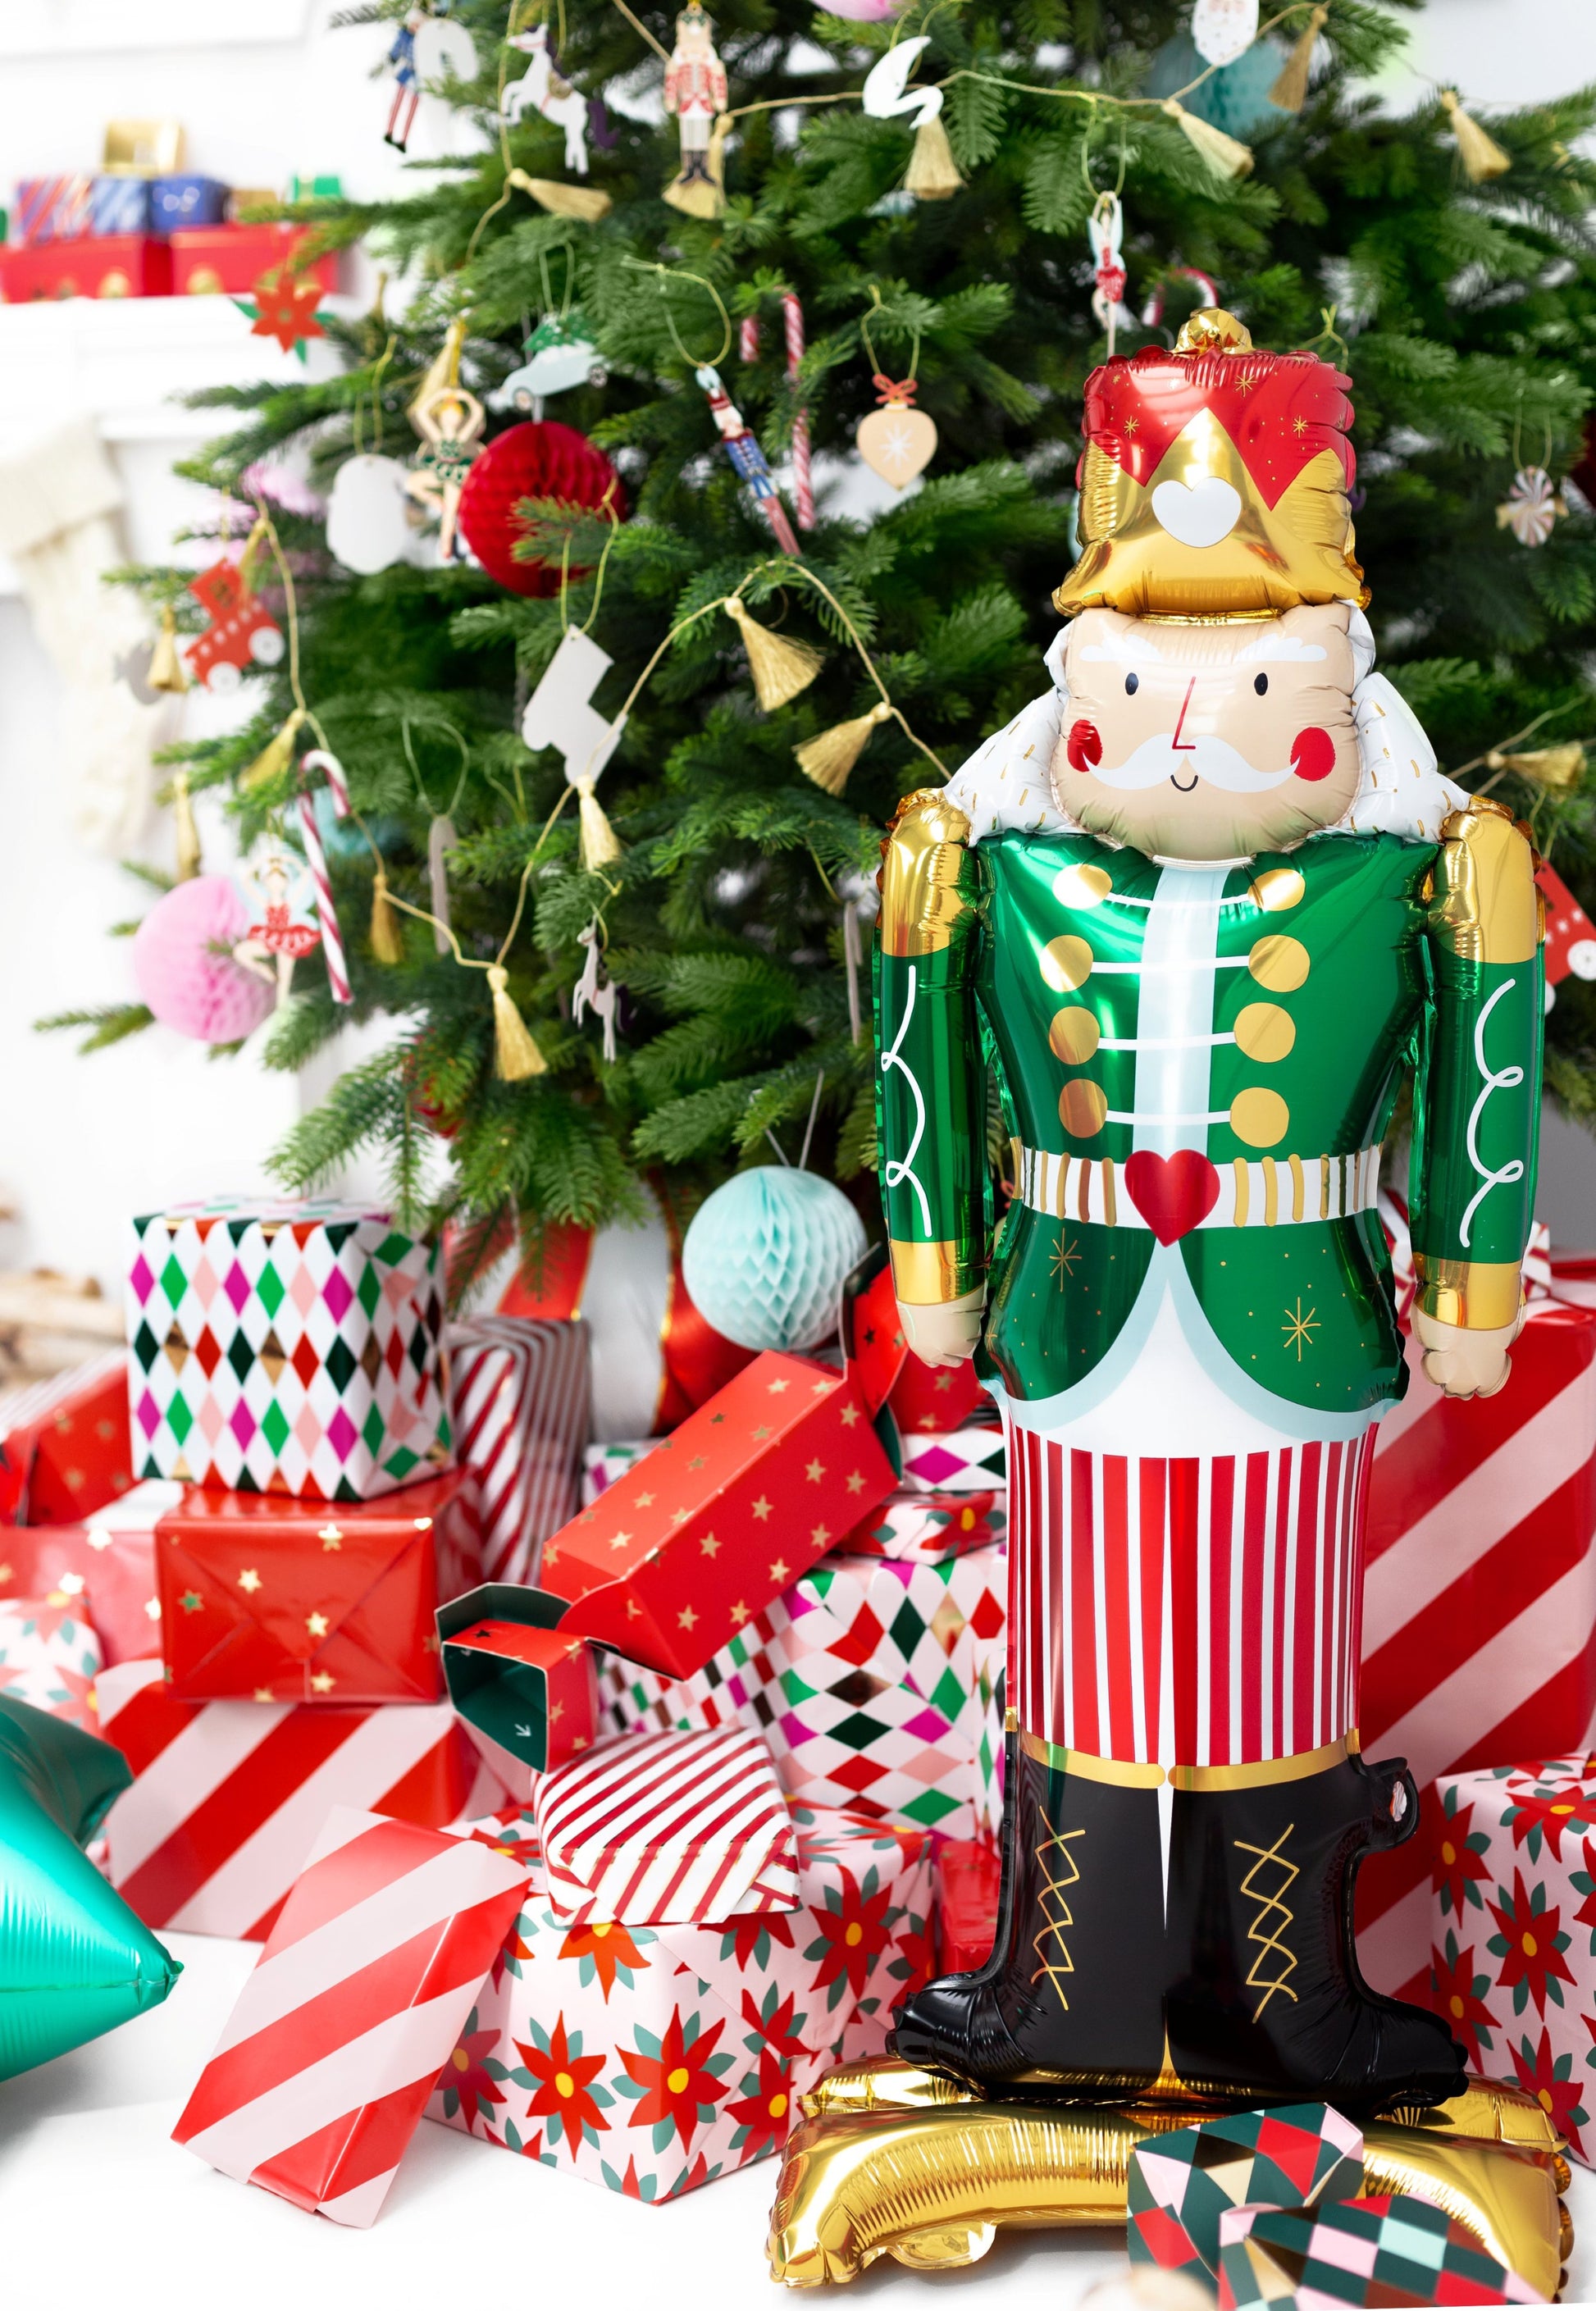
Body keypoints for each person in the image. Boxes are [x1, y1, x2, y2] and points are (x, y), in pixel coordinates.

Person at [875, 311, 1542, 2111]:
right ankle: (1074, 1986)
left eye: (1248, 692)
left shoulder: (1408, 873)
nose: (1191, 732)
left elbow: (1476, 1058)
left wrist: (1475, 1275)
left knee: (1265, 1652)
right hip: (1074, 1307)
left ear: (1327, 687)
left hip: (1294, 1303)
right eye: (1146, 697)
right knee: (1085, 1647)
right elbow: (922, 1048)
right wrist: (929, 1257)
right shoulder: (991, 857)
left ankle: (1281, 1992)